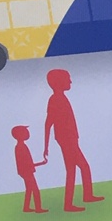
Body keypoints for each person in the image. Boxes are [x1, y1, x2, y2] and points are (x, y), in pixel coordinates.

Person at [39, 68, 102, 213]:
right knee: (76, 168)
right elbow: (48, 123)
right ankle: (70, 204)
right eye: (68, 79)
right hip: (66, 140)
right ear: (59, 82)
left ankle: (85, 196)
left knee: (78, 168)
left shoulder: (61, 98)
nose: (71, 82)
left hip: (70, 139)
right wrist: (46, 146)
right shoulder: (56, 99)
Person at [12, 126, 44, 213]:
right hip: (27, 172)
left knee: (29, 189)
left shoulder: (20, 146)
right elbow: (25, 163)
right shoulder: (20, 147)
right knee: (35, 189)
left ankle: (26, 207)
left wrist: (40, 163)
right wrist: (39, 164)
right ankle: (38, 208)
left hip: (26, 171)